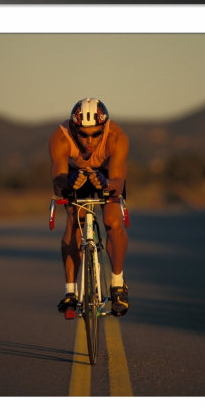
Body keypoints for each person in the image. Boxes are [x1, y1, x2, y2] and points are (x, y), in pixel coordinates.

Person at [49, 98, 129, 319]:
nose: (89, 140)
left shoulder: (117, 137)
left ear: (104, 128)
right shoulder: (60, 137)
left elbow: (118, 181)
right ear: (74, 128)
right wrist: (66, 186)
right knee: (74, 221)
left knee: (112, 223)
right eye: (83, 134)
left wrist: (105, 184)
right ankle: (71, 292)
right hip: (74, 176)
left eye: (96, 134)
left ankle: (117, 284)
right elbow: (57, 181)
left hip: (107, 176)